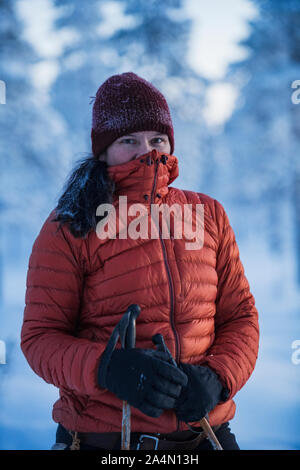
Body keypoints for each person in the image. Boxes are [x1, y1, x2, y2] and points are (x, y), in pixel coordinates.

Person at [20, 72, 259, 451]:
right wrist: (108, 368)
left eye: (157, 138)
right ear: (103, 151)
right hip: (105, 440)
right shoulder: (71, 223)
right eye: (128, 140)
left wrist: (217, 378)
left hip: (205, 435)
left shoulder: (208, 214)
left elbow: (241, 316)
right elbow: (40, 339)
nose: (147, 151)